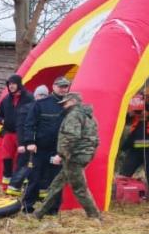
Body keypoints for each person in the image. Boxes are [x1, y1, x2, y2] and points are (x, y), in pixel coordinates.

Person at [34, 92, 102, 220]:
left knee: (79, 188)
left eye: (65, 103)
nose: (63, 106)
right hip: (84, 154)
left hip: (73, 157)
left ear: (72, 101)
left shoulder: (74, 115)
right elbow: (95, 139)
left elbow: (71, 137)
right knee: (57, 184)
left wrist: (61, 154)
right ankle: (39, 213)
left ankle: (94, 216)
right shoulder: (89, 116)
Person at [19, 77, 73, 211]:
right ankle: (27, 206)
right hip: (40, 149)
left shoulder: (70, 106)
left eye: (65, 86)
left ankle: (53, 209)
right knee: (34, 178)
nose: (62, 89)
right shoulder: (41, 104)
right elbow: (29, 124)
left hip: (58, 151)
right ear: (53, 87)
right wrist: (30, 142)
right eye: (60, 86)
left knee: (56, 181)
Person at [0, 74, 34, 186]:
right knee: (7, 159)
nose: (11, 86)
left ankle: (19, 185)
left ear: (19, 84)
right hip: (8, 133)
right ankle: (6, 186)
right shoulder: (6, 99)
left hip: (23, 135)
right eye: (9, 84)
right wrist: (3, 121)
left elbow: (34, 115)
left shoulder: (29, 98)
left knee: (22, 160)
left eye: (13, 84)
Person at [9, 84, 48, 197]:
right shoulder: (26, 108)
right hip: (27, 143)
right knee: (24, 166)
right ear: (35, 96)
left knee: (41, 168)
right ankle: (14, 188)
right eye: (40, 95)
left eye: (45, 95)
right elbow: (20, 127)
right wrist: (22, 144)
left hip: (40, 144)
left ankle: (40, 192)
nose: (42, 97)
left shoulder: (47, 109)